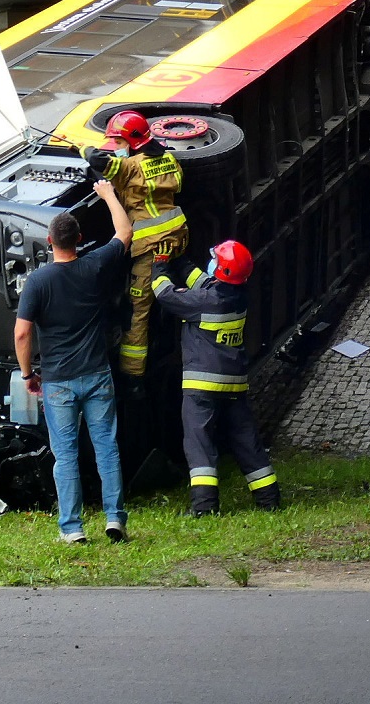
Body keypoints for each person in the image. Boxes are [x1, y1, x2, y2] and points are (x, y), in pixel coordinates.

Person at [14, 179, 133, 544]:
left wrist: (28, 374)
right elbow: (125, 232)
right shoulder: (95, 267)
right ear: (79, 239)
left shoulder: (38, 281)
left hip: (59, 381)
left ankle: (72, 529)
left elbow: (22, 333)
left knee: (65, 456)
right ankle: (115, 520)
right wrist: (108, 194)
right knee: (107, 449)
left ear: (50, 242)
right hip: (97, 376)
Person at [153, 239, 281, 516]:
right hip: (234, 383)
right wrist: (180, 260)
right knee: (246, 440)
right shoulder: (238, 294)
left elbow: (164, 294)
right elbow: (204, 281)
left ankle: (204, 507)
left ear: (221, 271)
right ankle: (269, 499)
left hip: (202, 387)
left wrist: (159, 266)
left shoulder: (204, 301)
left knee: (199, 444)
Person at [83, 110, 187, 378]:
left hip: (149, 249)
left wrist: (81, 147)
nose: (115, 148)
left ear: (131, 141)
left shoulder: (129, 167)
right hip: (177, 239)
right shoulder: (169, 159)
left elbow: (96, 159)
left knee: (137, 312)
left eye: (118, 142)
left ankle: (133, 378)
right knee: (170, 295)